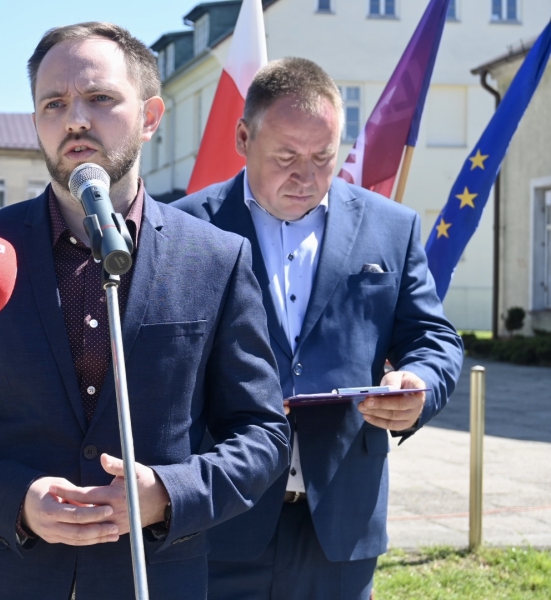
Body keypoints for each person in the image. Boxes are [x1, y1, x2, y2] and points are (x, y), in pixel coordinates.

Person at [0, 22, 290, 600]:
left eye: (99, 98)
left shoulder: (216, 259)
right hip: (2, 579)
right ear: (36, 123)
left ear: (150, 117)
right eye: (54, 104)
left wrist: (169, 493)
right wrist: (16, 500)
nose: (75, 119)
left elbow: (262, 434)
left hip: (154, 579)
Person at [173, 57, 464, 600]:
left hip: (342, 526)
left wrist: (419, 384)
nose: (305, 177)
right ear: (243, 138)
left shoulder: (391, 227)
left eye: (324, 158)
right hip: (220, 518)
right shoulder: (185, 228)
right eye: (286, 157)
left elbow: (434, 339)